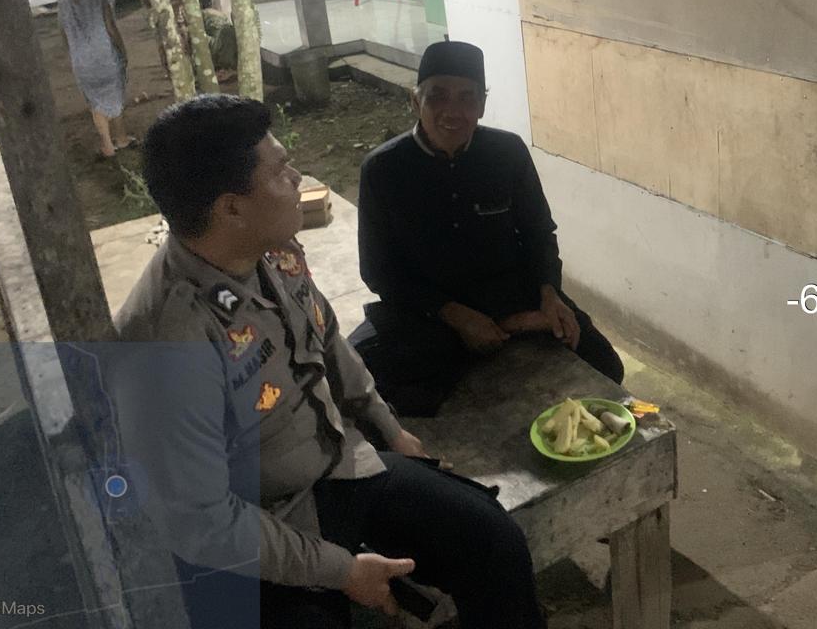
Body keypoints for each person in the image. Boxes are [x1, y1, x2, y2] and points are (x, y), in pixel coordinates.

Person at [108, 95, 546, 629]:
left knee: (491, 538)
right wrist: (343, 571)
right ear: (231, 208)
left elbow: (326, 336)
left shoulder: (272, 247)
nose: (298, 178)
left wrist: (389, 428)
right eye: (279, 171)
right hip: (257, 528)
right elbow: (203, 522)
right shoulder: (166, 341)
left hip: (339, 467)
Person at [349, 40, 625, 415]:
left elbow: (539, 233)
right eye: (437, 96)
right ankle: (515, 329)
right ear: (415, 102)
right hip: (430, 309)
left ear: (482, 105)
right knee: (358, 380)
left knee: (605, 365)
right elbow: (378, 272)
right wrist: (455, 315)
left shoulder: (507, 152)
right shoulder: (382, 170)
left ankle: (518, 323)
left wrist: (549, 293)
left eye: (467, 98)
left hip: (509, 292)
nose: (453, 111)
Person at [56, 0, 134, 158]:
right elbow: (110, 27)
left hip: (82, 62)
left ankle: (107, 145)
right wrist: (122, 50)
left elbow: (63, 33)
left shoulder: (63, 3)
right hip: (105, 57)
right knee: (115, 96)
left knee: (95, 102)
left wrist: (72, 54)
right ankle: (122, 138)